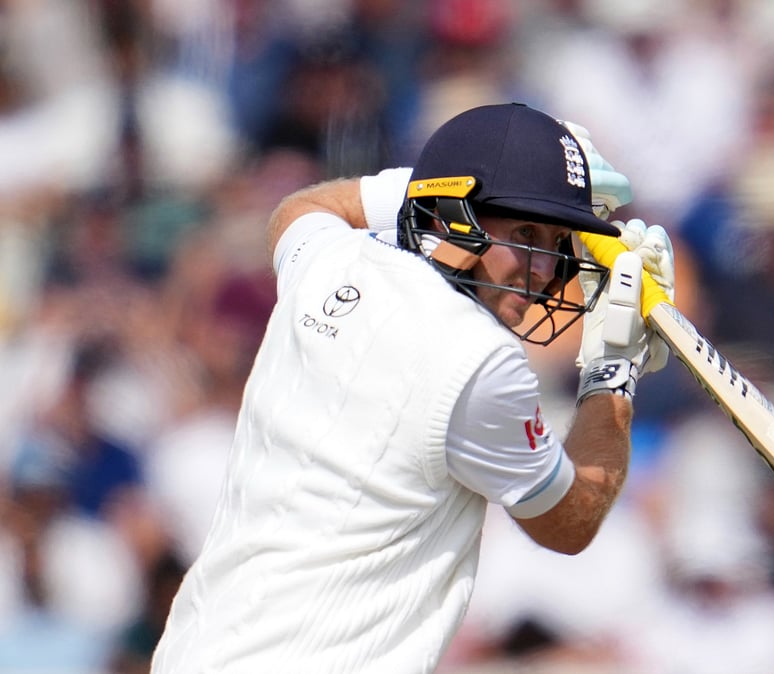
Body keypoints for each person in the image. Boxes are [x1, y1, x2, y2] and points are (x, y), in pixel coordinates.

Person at [148, 102, 675, 673]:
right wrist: (613, 372)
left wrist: (436, 187)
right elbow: (569, 521)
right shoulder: (479, 359)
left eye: (556, 238)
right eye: (525, 232)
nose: (546, 268)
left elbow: (301, 209)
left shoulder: (331, 261)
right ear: (456, 213)